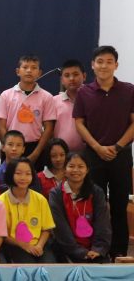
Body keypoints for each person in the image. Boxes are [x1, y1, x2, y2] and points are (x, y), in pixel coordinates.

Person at [73, 45, 134, 258]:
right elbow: (79, 123)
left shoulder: (129, 90)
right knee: (94, 205)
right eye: (100, 61)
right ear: (92, 65)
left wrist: (117, 147)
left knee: (119, 205)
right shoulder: (84, 92)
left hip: (121, 154)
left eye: (109, 62)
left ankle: (118, 251)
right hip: (93, 155)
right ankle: (97, 250)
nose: (104, 66)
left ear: (116, 65)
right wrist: (97, 147)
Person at [0, 54, 57, 167]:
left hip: (35, 147)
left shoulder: (47, 97)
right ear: (18, 71)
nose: (29, 71)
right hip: (11, 147)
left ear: (39, 73)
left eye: (34, 68)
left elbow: (49, 128)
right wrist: (8, 147)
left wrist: (36, 154)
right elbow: (0, 125)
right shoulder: (6, 95)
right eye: (25, 67)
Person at [49, 152, 111, 263]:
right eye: (71, 166)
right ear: (65, 170)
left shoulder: (97, 192)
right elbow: (60, 227)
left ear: (87, 170)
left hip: (94, 250)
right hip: (67, 249)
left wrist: (98, 249)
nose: (76, 170)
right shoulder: (56, 194)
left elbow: (103, 223)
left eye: (81, 166)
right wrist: (79, 252)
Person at [0, 157, 56, 263]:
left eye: (28, 174)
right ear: (10, 174)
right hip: (14, 246)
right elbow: (2, 235)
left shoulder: (40, 199)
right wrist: (24, 245)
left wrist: (39, 246)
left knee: (49, 265)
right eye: (18, 173)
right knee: (27, 266)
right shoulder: (1, 202)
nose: (23, 178)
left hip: (39, 244)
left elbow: (47, 229)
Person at [54, 59, 86, 153]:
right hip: (61, 155)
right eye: (67, 75)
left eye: (75, 74)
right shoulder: (53, 101)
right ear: (62, 80)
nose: (71, 78)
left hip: (88, 154)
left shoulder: (92, 99)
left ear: (84, 76)